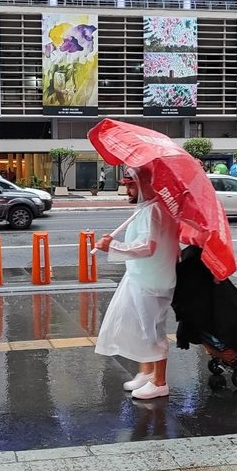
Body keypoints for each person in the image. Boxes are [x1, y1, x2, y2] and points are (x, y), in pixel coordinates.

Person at [94, 167, 181, 400]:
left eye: (131, 184)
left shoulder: (154, 210)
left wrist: (111, 247)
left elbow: (147, 247)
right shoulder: (148, 208)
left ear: (144, 185)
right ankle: (147, 373)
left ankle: (159, 382)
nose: (127, 189)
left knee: (152, 330)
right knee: (139, 326)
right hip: (142, 276)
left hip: (152, 280)